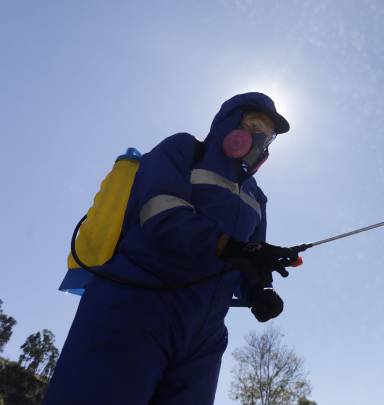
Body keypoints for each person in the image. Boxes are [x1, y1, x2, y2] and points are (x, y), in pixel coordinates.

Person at [44, 92, 299, 404]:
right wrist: (231, 247)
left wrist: (260, 288)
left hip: (204, 337)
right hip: (136, 305)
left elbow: (249, 255)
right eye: (255, 123)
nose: (261, 137)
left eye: (268, 134)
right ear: (231, 121)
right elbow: (161, 213)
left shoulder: (257, 198)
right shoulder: (185, 150)